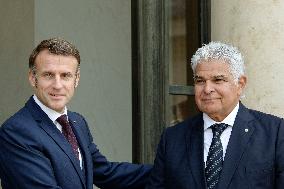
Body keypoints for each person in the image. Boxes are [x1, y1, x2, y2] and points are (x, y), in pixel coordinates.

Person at [0, 38, 152, 189]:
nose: (57, 85)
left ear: (76, 79)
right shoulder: (16, 131)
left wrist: (167, 169)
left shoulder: (76, 122)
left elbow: (105, 173)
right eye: (48, 75)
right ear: (33, 78)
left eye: (65, 75)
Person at [146, 41, 284, 189]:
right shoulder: (173, 138)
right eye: (200, 81)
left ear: (240, 84)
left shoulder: (275, 133)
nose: (207, 89)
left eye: (218, 80)